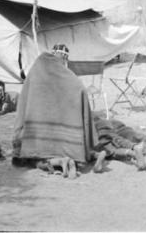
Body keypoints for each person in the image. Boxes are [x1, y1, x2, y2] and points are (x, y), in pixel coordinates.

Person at [12, 43, 103, 172]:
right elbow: (79, 87)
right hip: (63, 137)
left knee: (33, 159)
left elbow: (26, 94)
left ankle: (59, 162)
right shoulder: (63, 72)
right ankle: (81, 157)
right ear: (64, 58)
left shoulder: (39, 64)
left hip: (38, 130)